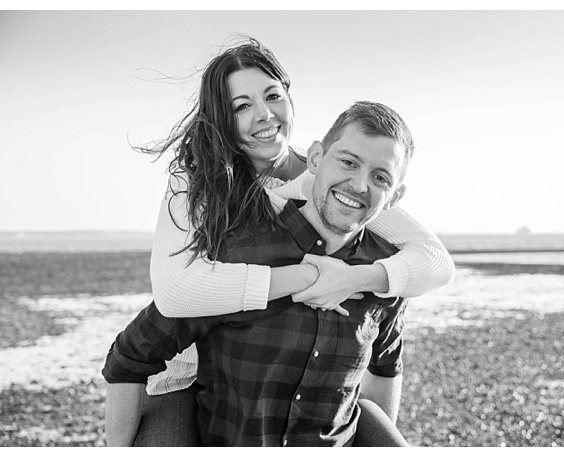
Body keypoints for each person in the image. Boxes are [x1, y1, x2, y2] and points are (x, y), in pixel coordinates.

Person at [131, 37, 455, 446]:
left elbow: (435, 262)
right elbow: (175, 293)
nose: (264, 114)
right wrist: (304, 278)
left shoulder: (331, 174)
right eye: (242, 105)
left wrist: (351, 280)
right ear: (222, 117)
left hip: (277, 378)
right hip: (188, 372)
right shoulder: (198, 182)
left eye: (272, 96)